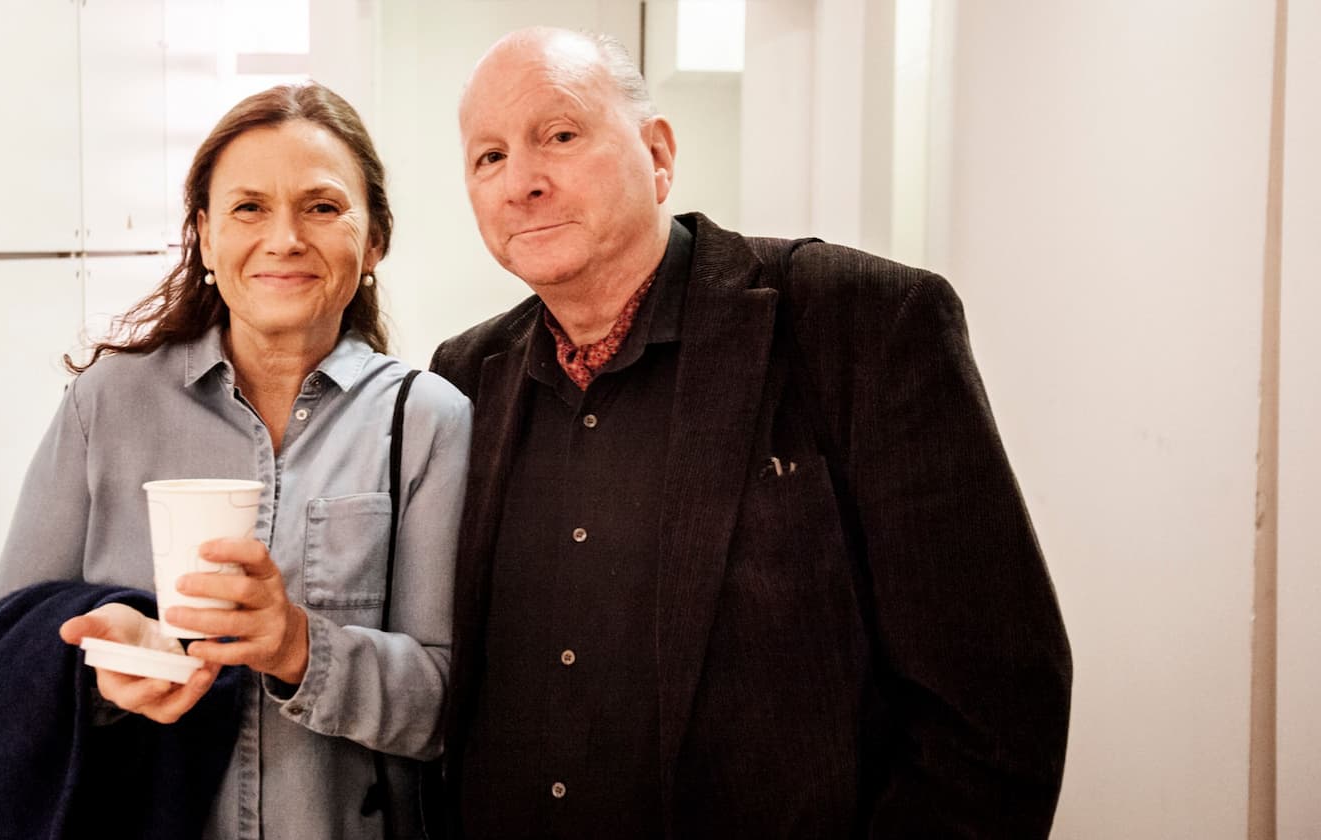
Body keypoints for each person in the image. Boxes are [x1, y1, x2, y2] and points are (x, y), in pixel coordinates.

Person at [428, 27, 1072, 839]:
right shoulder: (461, 377)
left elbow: (994, 708)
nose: (521, 181)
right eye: (488, 157)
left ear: (658, 155)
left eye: (559, 135)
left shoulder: (858, 323)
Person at [0, 81, 471, 840]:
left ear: (373, 238)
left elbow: (449, 706)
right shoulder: (107, 404)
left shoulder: (430, 421)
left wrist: (298, 646)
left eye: (322, 206)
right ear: (206, 237)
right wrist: (105, 664)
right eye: (249, 208)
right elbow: (2, 656)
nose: (284, 238)